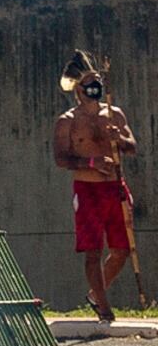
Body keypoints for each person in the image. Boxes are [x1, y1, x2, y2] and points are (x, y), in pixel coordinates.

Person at [53, 51, 138, 324]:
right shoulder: (67, 120)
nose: (96, 87)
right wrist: (91, 162)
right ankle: (104, 306)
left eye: (98, 81)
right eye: (90, 82)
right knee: (93, 251)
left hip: (115, 187)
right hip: (88, 190)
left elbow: (132, 148)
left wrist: (120, 137)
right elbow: (61, 158)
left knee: (122, 250)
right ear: (79, 89)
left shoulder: (114, 113)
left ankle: (95, 293)